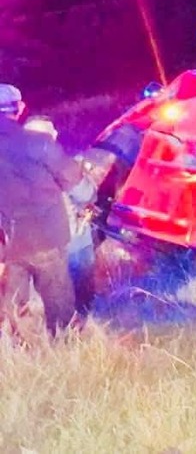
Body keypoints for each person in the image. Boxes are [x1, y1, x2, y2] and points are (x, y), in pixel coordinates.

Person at [0, 84, 86, 337]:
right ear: (20, 109)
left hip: (9, 242)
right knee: (58, 298)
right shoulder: (39, 143)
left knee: (14, 302)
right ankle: (64, 345)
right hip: (46, 237)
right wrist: (88, 196)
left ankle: (16, 348)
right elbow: (77, 185)